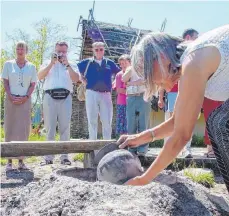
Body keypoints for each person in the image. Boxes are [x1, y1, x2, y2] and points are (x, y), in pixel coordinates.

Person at [118, 25, 229, 192]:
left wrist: (143, 179)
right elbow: (177, 121)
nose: (154, 83)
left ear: (161, 57)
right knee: (217, 123)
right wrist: (140, 137)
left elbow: (181, 135)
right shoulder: (190, 62)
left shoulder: (193, 62)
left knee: (219, 123)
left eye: (150, 74)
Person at [158, 28, 199, 158]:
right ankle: (167, 149)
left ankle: (186, 149)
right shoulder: (173, 53)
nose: (198, 40)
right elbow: (163, 76)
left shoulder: (196, 55)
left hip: (190, 93)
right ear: (188, 37)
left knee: (189, 121)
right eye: (195, 37)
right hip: (173, 92)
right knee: (170, 121)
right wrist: (160, 97)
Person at [38, 41, 79, 165]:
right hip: (50, 96)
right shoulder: (47, 62)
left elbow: (76, 79)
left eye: (63, 51)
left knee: (65, 128)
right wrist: (51, 63)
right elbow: (39, 76)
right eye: (59, 51)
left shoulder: (71, 64)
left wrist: (67, 65)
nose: (61, 53)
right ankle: (48, 158)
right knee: (49, 128)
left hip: (66, 97)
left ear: (67, 52)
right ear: (55, 50)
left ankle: (64, 157)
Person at [2, 41, 37, 171]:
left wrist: (26, 97)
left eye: (22, 48)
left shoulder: (31, 66)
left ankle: (21, 160)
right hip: (11, 99)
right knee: (9, 127)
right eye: (18, 48)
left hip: (25, 100)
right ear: (15, 50)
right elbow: (5, 81)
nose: (20, 50)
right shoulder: (8, 64)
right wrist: (10, 95)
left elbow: (33, 84)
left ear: (26, 50)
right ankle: (9, 161)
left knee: (23, 129)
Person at [77, 42, 120, 140]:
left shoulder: (109, 63)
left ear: (104, 50)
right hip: (91, 93)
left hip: (106, 94)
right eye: (96, 49)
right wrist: (81, 78)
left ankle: (107, 143)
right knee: (92, 119)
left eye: (101, 49)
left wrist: (114, 83)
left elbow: (119, 74)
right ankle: (92, 144)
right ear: (93, 50)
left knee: (107, 120)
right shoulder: (87, 62)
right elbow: (78, 71)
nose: (99, 51)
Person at [122, 53, 151, 157]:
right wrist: (130, 70)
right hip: (131, 97)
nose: (140, 59)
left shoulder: (148, 68)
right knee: (131, 124)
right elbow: (124, 79)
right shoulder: (131, 68)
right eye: (138, 57)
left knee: (143, 123)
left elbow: (144, 80)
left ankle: (143, 149)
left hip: (144, 96)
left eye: (141, 56)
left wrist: (132, 83)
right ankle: (132, 148)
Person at [113, 55, 130, 136]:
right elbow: (119, 90)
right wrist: (132, 91)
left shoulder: (133, 74)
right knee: (122, 123)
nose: (123, 65)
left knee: (130, 123)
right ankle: (122, 142)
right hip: (122, 102)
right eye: (121, 63)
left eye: (125, 63)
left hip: (132, 102)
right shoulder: (119, 75)